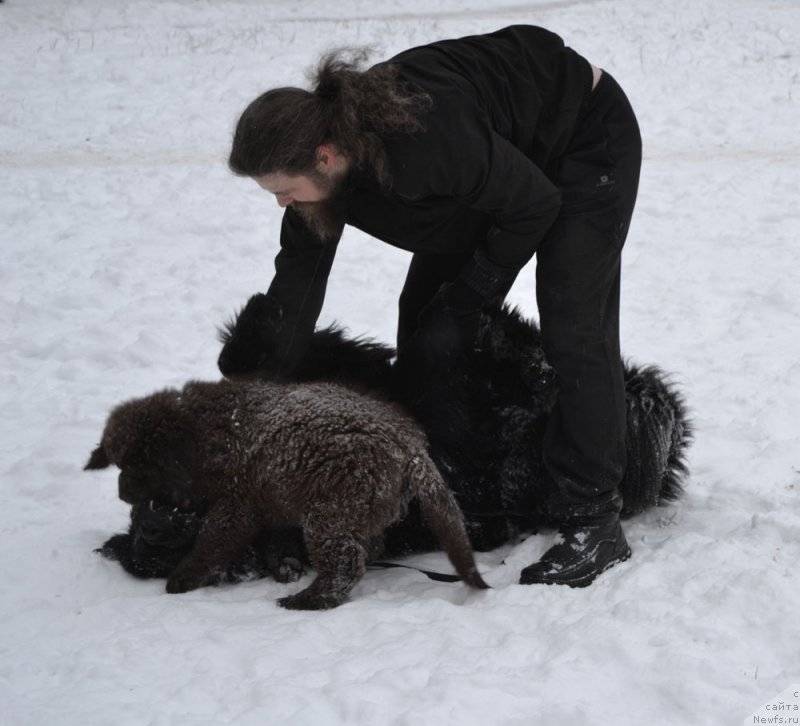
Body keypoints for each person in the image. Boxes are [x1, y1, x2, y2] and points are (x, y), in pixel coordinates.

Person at [223, 25, 642, 587]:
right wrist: (264, 380)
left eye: (284, 189)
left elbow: (534, 204)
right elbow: (298, 278)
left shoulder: (420, 141)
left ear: (324, 156)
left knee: (574, 325)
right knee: (426, 327)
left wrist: (470, 298)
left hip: (582, 140)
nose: (281, 202)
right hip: (496, 166)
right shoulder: (329, 165)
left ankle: (593, 519)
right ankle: (468, 495)